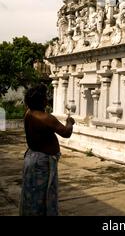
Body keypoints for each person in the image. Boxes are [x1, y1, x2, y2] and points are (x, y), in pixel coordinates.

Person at [19, 84, 75, 216]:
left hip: (32, 157)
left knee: (32, 195)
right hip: (42, 162)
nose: (47, 99)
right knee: (43, 196)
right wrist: (70, 122)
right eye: (45, 97)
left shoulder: (28, 113)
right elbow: (66, 133)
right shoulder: (46, 118)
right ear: (41, 101)